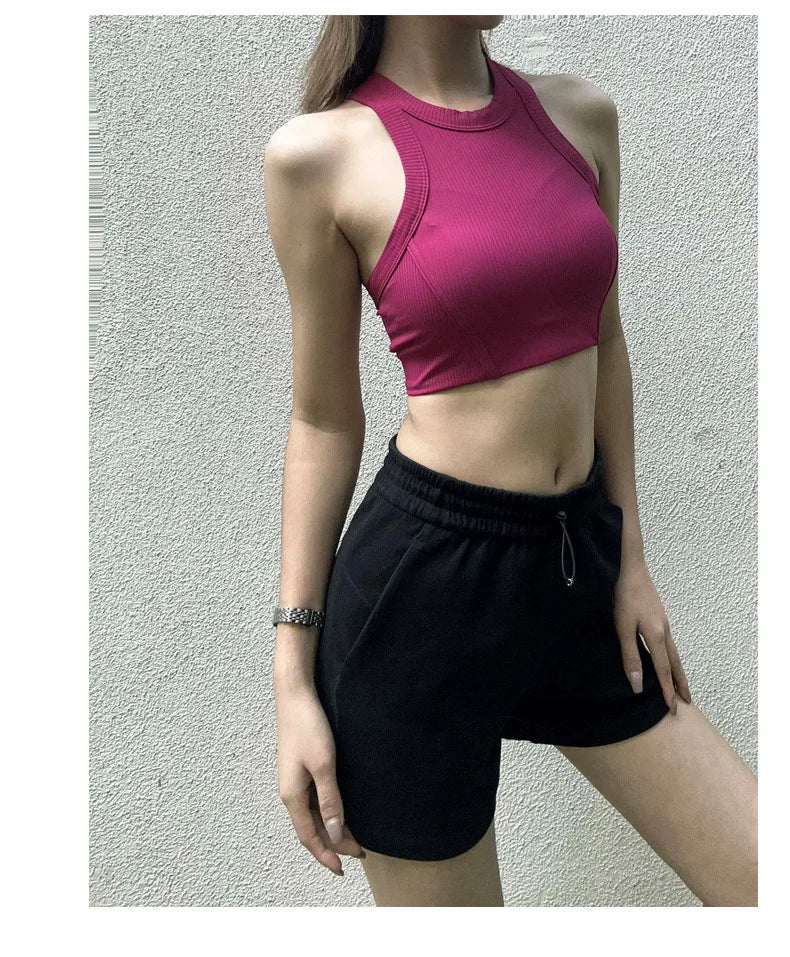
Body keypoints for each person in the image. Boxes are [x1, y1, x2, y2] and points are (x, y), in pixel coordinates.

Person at [264, 15, 757, 907]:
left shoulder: (579, 117)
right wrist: (292, 677)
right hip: (420, 601)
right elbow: (324, 418)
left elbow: (605, 340)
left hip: (578, 566)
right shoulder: (320, 156)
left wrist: (630, 558)